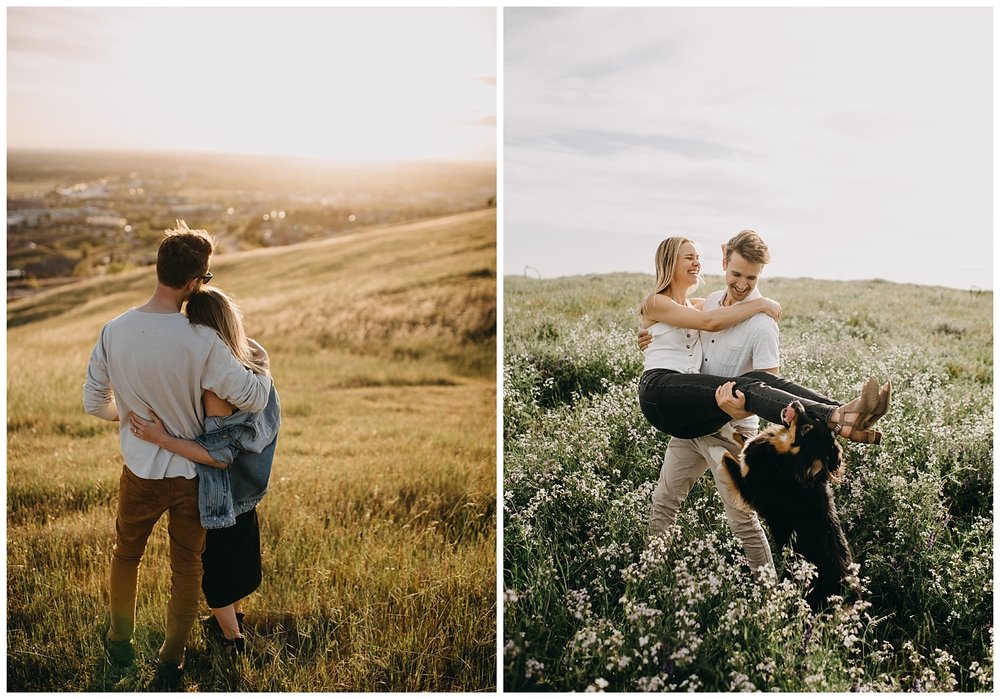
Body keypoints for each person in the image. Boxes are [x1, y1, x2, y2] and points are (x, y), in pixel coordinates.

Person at [83, 221, 272, 689]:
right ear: (193, 283)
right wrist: (263, 366)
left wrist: (127, 418)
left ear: (158, 268)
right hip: (190, 475)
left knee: (126, 556)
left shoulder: (114, 330)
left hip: (139, 471)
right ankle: (171, 662)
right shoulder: (202, 340)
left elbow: (92, 402)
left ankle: (120, 641)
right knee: (186, 568)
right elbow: (252, 397)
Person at [128, 286, 280, 657]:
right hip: (249, 488)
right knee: (237, 565)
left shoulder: (217, 387)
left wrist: (160, 437)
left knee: (215, 575)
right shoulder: (255, 358)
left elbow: (219, 455)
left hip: (222, 492)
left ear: (203, 330)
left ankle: (233, 643)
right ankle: (232, 622)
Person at [637, 236, 890, 446]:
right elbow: (710, 323)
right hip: (661, 392)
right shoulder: (656, 301)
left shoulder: (698, 305)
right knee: (748, 385)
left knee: (762, 379)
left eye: (698, 257)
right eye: (689, 257)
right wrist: (763, 303)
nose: (697, 263)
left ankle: (846, 413)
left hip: (694, 404)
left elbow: (712, 316)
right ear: (670, 262)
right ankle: (835, 416)